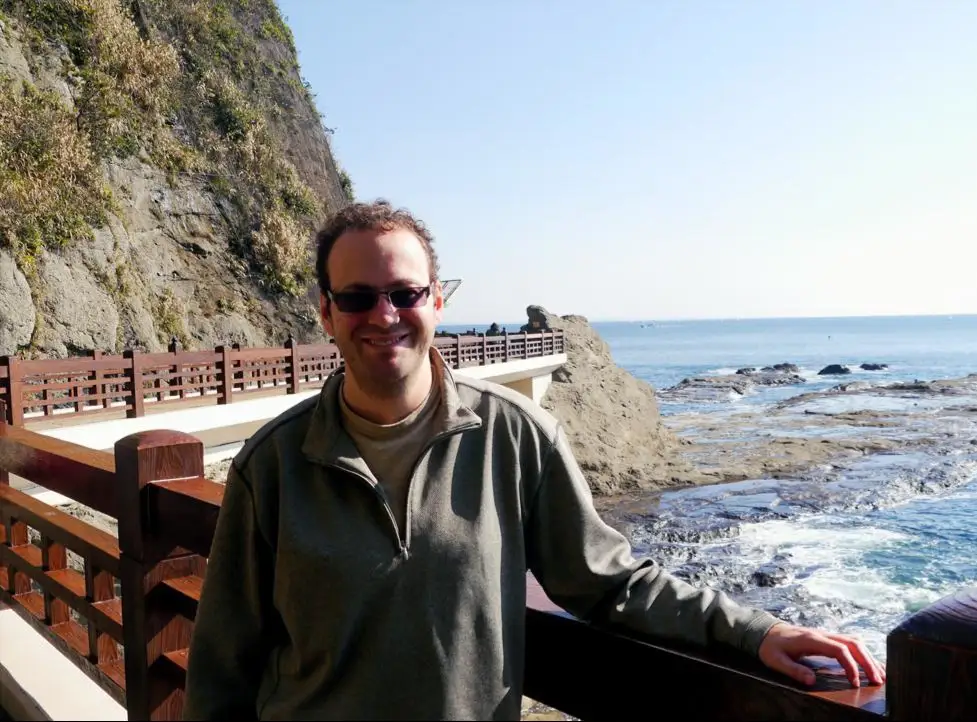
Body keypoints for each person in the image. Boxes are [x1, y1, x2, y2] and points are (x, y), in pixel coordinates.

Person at [183, 200, 885, 720]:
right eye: (359, 298)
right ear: (327, 313)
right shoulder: (271, 465)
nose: (385, 315)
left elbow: (609, 582)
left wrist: (756, 631)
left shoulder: (516, 437)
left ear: (436, 301)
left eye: (405, 294)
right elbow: (224, 663)